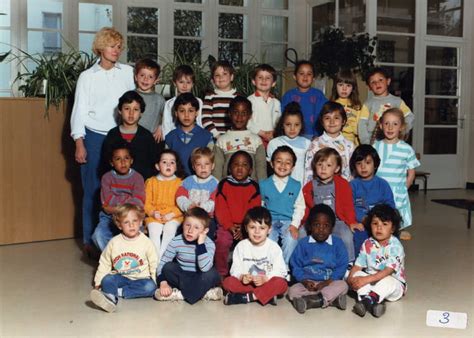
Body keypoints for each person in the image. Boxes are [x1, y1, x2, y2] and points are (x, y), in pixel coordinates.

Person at [70, 27, 135, 255]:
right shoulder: (87, 77)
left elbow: (138, 103)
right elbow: (79, 111)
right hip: (94, 137)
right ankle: (90, 241)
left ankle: (124, 238)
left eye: (118, 47)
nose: (115, 50)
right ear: (100, 48)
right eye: (111, 46)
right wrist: (80, 142)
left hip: (122, 136)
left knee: (124, 187)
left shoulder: (127, 72)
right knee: (93, 189)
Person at [90, 204, 157, 313]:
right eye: (126, 222)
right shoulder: (114, 242)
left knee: (150, 287)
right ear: (120, 225)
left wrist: (156, 282)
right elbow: (105, 262)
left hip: (140, 279)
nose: (131, 225)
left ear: (140, 222)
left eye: (135, 221)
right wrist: (97, 282)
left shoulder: (146, 242)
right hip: (120, 277)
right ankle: (111, 299)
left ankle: (117, 292)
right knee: (107, 279)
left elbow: (154, 264)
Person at [347, 204, 406, 318]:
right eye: (375, 224)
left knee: (388, 280)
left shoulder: (395, 246)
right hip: (371, 281)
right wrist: (350, 279)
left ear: (393, 228)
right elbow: (358, 265)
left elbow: (388, 270)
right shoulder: (368, 243)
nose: (379, 228)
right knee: (357, 274)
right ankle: (372, 303)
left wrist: (365, 280)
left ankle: (368, 300)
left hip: (393, 285)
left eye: (384, 224)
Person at [288, 204, 349, 314]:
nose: (321, 229)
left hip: (329, 283)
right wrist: (304, 281)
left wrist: (328, 282)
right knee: (292, 291)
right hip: (308, 284)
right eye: (316, 225)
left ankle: (314, 300)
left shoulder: (337, 243)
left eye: (326, 225)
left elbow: (341, 266)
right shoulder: (304, 243)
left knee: (343, 286)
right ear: (310, 226)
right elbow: (295, 264)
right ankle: (329, 300)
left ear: (332, 228)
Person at [302, 148, 360, 263]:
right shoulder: (309, 186)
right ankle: (303, 261)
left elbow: (348, 205)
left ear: (336, 168)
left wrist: (351, 222)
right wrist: (301, 223)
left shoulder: (342, 184)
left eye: (328, 165)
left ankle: (348, 262)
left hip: (337, 221)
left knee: (346, 236)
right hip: (316, 222)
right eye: (320, 164)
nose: (323, 168)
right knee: (301, 234)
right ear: (315, 166)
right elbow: (305, 207)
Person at [154, 207, 222, 304]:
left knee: (213, 274)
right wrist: (163, 282)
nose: (190, 230)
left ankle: (179, 295)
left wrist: (201, 244)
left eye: (196, 227)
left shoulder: (209, 244)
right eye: (187, 225)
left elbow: (204, 268)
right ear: (183, 225)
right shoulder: (176, 241)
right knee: (168, 267)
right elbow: (163, 262)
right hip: (182, 276)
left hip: (200, 276)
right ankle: (203, 293)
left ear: (205, 231)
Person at [222, 207, 288, 306]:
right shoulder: (241, 246)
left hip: (266, 283)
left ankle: (247, 297)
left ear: (269, 229)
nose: (257, 232)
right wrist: (241, 277)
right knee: (227, 282)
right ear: (246, 228)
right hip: (248, 285)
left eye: (262, 228)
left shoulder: (273, 247)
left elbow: (281, 271)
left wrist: (266, 279)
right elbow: (235, 269)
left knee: (282, 284)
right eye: (252, 227)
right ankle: (265, 296)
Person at [372, 108, 420, 240]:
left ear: (401, 127)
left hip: (397, 190)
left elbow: (411, 172)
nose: (390, 127)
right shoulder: (376, 146)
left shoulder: (406, 149)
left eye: (395, 124)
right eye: (386, 123)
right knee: (379, 215)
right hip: (379, 189)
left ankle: (396, 234)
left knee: (395, 215)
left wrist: (405, 187)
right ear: (381, 125)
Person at [214, 151, 262, 277]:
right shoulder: (224, 184)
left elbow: (254, 211)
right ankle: (221, 273)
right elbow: (221, 209)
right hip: (227, 224)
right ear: (230, 168)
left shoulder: (254, 187)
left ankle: (247, 273)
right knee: (222, 241)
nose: (240, 168)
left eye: (244, 165)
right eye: (236, 165)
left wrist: (244, 227)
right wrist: (229, 226)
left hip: (247, 225)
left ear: (250, 170)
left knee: (252, 242)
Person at [91, 143, 145, 251]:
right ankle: (114, 260)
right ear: (112, 162)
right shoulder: (107, 178)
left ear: (131, 160)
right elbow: (107, 203)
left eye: (126, 158)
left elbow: (138, 202)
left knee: (139, 237)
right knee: (98, 235)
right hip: (109, 217)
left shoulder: (137, 178)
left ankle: (129, 260)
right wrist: (128, 201)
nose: (123, 162)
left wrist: (116, 206)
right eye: (118, 159)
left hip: (131, 216)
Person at [259, 146, 305, 265]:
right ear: (272, 164)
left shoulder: (296, 185)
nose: (283, 165)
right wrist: (264, 223)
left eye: (287, 163)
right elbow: (261, 205)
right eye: (279, 161)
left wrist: (294, 225)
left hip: (288, 221)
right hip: (270, 221)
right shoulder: (264, 184)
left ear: (293, 167)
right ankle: (269, 266)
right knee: (268, 239)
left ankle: (285, 268)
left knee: (291, 239)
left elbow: (300, 207)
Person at [349, 144, 395, 256]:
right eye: (359, 164)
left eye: (368, 163)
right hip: (362, 222)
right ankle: (359, 262)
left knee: (392, 236)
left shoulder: (383, 184)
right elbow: (350, 207)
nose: (363, 167)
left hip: (380, 221)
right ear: (354, 166)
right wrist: (362, 218)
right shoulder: (352, 185)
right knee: (359, 235)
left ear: (375, 165)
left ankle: (387, 258)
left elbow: (390, 206)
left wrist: (381, 220)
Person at [102, 90, 158, 180]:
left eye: (136, 109)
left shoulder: (146, 136)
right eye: (127, 109)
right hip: (116, 186)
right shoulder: (112, 135)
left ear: (141, 113)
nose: (131, 113)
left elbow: (153, 166)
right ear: (120, 110)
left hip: (141, 187)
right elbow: (104, 165)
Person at [212, 96, 267, 181]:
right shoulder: (222, 140)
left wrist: (262, 191)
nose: (239, 117)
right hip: (227, 190)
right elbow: (216, 171)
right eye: (236, 112)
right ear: (229, 114)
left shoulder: (256, 140)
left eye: (244, 113)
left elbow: (261, 170)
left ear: (250, 115)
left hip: (251, 190)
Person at [144, 150, 185, 259]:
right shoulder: (151, 182)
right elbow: (146, 203)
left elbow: (183, 205)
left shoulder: (180, 183)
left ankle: (162, 259)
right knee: (154, 230)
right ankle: (154, 259)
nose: (168, 165)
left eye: (172, 162)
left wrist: (172, 214)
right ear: (157, 166)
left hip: (173, 216)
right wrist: (152, 212)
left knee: (170, 229)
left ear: (176, 167)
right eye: (164, 162)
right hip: (155, 215)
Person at [359, 67, 414, 145]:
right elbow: (362, 124)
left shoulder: (397, 102)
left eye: (380, 80)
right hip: (373, 142)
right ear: (369, 87)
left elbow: (410, 117)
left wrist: (401, 131)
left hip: (393, 140)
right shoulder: (367, 104)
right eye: (373, 82)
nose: (377, 84)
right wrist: (366, 143)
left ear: (388, 81)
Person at [304, 101, 355, 183]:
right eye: (327, 118)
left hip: (342, 191)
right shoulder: (315, 144)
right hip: (320, 191)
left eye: (336, 118)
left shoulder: (349, 146)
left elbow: (352, 173)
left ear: (343, 121)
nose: (332, 122)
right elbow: (309, 172)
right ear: (322, 122)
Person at [165, 93, 213, 176]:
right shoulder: (170, 137)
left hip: (200, 183)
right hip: (176, 183)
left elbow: (211, 164)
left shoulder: (207, 137)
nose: (186, 115)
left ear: (196, 113)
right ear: (176, 113)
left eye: (190, 110)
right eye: (182, 111)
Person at [176, 147, 219, 240]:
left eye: (207, 164)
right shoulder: (188, 181)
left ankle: (205, 251)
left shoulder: (215, 183)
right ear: (194, 167)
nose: (203, 167)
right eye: (199, 164)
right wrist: (188, 205)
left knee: (209, 231)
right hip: (189, 216)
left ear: (212, 166)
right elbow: (180, 196)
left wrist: (202, 208)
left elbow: (214, 202)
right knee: (179, 231)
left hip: (207, 218)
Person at [281, 60, 328, 139]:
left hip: (314, 136)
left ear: (313, 78)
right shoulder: (288, 95)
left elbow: (325, 114)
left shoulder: (318, 95)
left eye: (309, 74)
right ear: (295, 76)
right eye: (301, 73)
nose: (305, 77)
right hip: (292, 134)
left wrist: (318, 135)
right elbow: (282, 116)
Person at [267, 102, 311, 183]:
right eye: (288, 124)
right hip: (279, 185)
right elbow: (271, 169)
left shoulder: (307, 143)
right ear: (282, 125)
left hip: (301, 184)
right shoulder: (274, 143)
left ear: (301, 125)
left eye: (296, 125)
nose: (292, 128)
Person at [161, 65, 204, 139]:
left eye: (188, 82)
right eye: (181, 82)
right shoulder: (169, 104)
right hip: (175, 139)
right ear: (174, 83)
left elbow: (200, 122)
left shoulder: (198, 102)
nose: (185, 86)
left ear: (193, 84)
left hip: (194, 138)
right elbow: (166, 126)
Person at [330, 69, 369, 145]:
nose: (344, 89)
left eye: (348, 85)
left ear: (353, 88)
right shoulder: (332, 104)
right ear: (335, 86)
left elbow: (360, 129)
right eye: (340, 85)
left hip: (352, 144)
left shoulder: (357, 106)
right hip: (334, 141)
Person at [202, 60, 239, 138]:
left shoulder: (238, 97)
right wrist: (217, 135)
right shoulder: (210, 96)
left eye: (224, 74)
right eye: (217, 75)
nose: (221, 77)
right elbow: (205, 119)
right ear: (213, 80)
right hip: (214, 137)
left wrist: (233, 135)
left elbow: (241, 119)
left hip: (233, 137)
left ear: (231, 77)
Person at [247, 64, 281, 146]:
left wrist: (274, 132)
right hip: (255, 139)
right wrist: (262, 133)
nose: (264, 80)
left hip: (272, 139)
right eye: (260, 77)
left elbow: (279, 121)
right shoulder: (249, 101)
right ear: (254, 81)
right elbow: (247, 123)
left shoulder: (276, 102)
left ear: (273, 83)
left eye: (268, 78)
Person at [134, 58, 165, 142]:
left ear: (156, 80)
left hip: (151, 138)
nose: (145, 79)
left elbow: (166, 116)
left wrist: (161, 126)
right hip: (132, 137)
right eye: (142, 75)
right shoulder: (131, 95)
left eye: (150, 77)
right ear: (136, 77)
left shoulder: (159, 99)